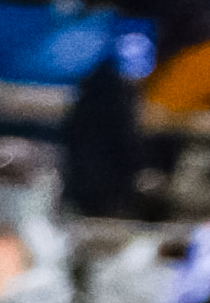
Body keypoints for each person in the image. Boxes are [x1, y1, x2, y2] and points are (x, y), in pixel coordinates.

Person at [58, 26, 160, 220]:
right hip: (95, 178)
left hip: (95, 175)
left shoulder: (108, 87)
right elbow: (122, 140)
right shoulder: (109, 92)